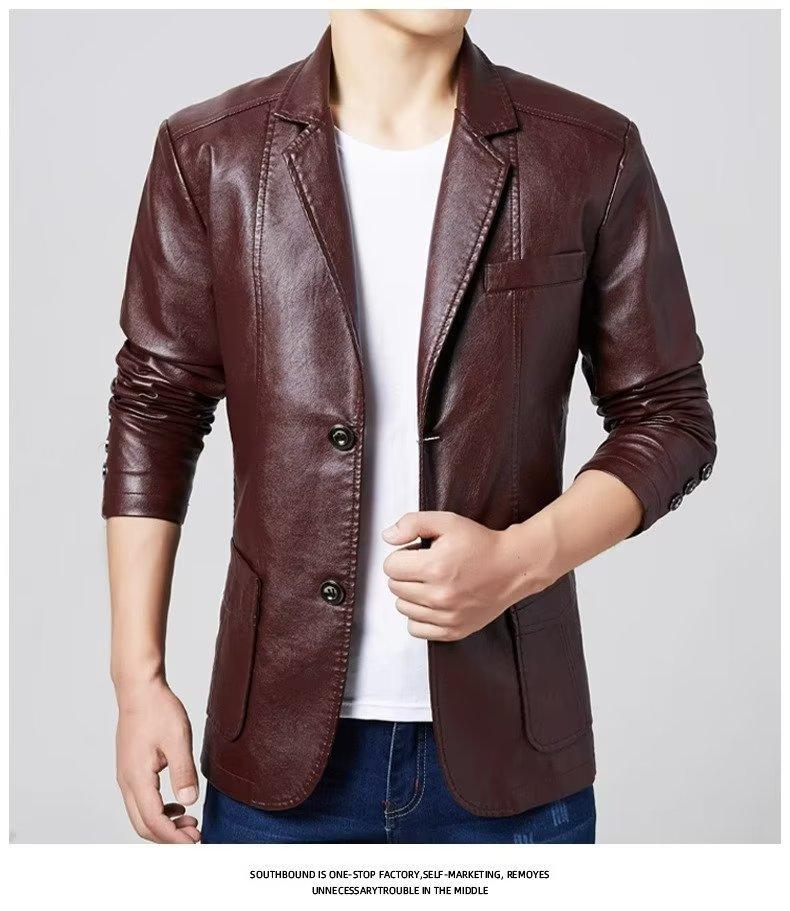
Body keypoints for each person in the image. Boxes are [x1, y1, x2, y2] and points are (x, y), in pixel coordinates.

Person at [104, 10, 716, 844]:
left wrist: (521, 560)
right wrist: (136, 681)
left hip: (513, 755)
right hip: (279, 751)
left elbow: (671, 416)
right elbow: (155, 410)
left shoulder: (587, 151)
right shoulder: (212, 153)